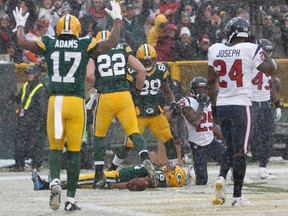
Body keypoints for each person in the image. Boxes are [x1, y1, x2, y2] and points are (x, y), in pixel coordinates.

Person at [13, 0, 123, 211]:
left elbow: (22, 42)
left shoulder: (49, 42)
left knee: (55, 148)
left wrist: (20, 25)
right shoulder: (84, 44)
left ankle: (54, 180)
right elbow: (111, 42)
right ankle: (70, 199)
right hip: (75, 101)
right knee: (74, 151)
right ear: (77, 29)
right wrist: (117, 20)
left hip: (56, 101)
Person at [207, 17, 276, 206]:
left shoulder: (215, 49)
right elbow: (271, 69)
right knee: (240, 152)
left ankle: (221, 177)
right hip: (241, 106)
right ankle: (237, 197)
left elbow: (211, 83)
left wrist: (214, 107)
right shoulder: (250, 48)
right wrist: (258, 47)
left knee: (229, 147)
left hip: (222, 105)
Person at [85, 32, 159, 190]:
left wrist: (102, 84)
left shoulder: (94, 51)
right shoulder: (123, 48)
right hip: (124, 96)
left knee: (99, 136)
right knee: (134, 133)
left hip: (106, 97)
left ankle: (99, 173)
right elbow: (141, 70)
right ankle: (146, 160)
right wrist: (136, 92)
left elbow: (90, 76)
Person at [108, 44, 180, 172]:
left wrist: (173, 103)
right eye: (143, 61)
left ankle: (176, 169)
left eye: (149, 60)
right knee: (129, 144)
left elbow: (167, 90)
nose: (147, 63)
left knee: (168, 139)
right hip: (138, 113)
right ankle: (112, 168)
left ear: (154, 59)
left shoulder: (161, 70)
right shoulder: (132, 71)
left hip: (155, 113)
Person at [178, 76, 225, 185]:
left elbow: (209, 123)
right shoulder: (186, 101)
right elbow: (195, 121)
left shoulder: (207, 102)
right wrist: (201, 105)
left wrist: (222, 136)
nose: (203, 91)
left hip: (210, 141)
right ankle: (192, 171)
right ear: (193, 89)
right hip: (197, 145)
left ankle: (232, 178)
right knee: (202, 181)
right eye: (200, 88)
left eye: (204, 89)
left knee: (228, 158)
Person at [249, 39, 282, 179]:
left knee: (267, 136)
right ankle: (239, 167)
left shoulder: (270, 65)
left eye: (269, 51)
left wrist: (278, 104)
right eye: (265, 51)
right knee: (247, 136)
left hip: (265, 104)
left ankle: (263, 168)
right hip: (251, 103)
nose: (267, 54)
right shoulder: (250, 62)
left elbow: (271, 87)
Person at [10, 65, 48, 172]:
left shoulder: (41, 88)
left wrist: (41, 122)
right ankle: (19, 165)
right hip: (23, 120)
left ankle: (35, 165)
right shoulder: (26, 86)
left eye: (31, 74)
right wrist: (13, 98)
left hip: (34, 121)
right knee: (19, 143)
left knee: (35, 144)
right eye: (28, 74)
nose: (29, 76)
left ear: (36, 75)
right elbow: (21, 98)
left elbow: (43, 108)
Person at [31, 164, 186, 190]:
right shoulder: (159, 173)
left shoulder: (158, 177)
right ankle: (48, 183)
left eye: (173, 169)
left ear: (172, 176)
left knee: (81, 181)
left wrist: (112, 186)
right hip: (115, 176)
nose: (170, 166)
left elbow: (136, 183)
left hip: (116, 178)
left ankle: (44, 185)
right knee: (82, 181)